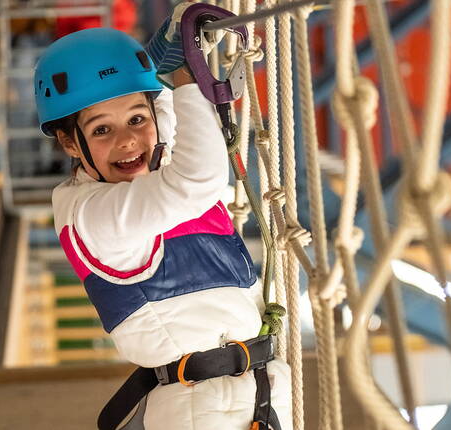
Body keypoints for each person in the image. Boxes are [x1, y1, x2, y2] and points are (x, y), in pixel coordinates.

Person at [36, 14, 291, 430]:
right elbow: (200, 179)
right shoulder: (93, 216)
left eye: (137, 119)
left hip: (252, 393)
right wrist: (185, 75)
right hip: (203, 409)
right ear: (69, 142)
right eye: (102, 129)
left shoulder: (152, 176)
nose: (127, 140)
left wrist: (165, 61)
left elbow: (164, 117)